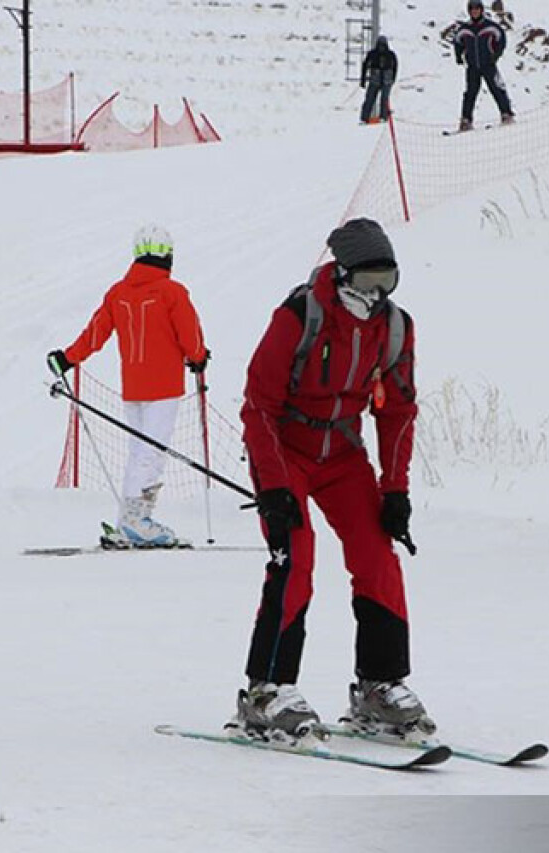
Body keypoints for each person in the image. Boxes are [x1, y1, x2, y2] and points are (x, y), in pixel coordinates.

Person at [228, 217, 431, 742]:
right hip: (285, 449)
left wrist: (396, 490)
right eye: (368, 283)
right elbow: (259, 406)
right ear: (341, 275)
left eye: (389, 280)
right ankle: (267, 690)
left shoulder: (395, 328)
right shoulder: (299, 316)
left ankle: (379, 687)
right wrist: (272, 486)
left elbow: (397, 413)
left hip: (342, 453)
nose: (378, 293)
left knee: (377, 557)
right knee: (296, 557)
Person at [47, 225, 209, 548]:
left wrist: (67, 358)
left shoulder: (118, 293)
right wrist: (199, 357)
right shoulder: (172, 292)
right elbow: (189, 337)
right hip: (164, 387)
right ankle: (138, 520)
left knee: (139, 452)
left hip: (134, 388)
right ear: (167, 255)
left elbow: (96, 333)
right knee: (151, 453)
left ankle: (128, 519)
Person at [453, 0, 515, 131]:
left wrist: (496, 55)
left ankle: (506, 114)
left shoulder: (490, 26)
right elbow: (458, 42)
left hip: (488, 64)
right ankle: (466, 120)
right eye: (472, 9)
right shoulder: (465, 29)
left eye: (477, 9)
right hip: (472, 66)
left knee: (496, 88)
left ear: (481, 10)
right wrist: (458, 56)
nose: (474, 11)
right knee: (470, 93)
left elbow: (501, 39)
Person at [360, 35, 398, 124]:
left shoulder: (391, 55)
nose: (381, 48)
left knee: (384, 99)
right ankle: (365, 117)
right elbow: (365, 65)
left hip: (386, 81)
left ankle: (383, 117)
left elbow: (395, 66)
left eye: (383, 45)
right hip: (375, 80)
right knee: (369, 99)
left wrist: (393, 79)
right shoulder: (372, 54)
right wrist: (363, 80)